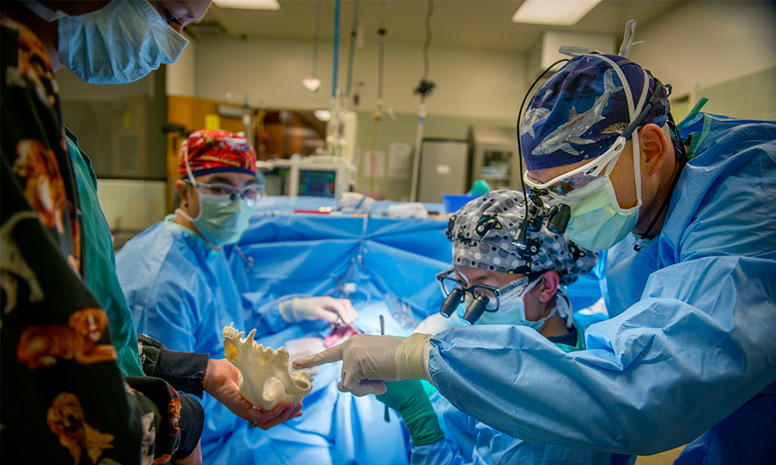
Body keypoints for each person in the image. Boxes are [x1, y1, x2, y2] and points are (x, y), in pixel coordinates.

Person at [294, 52, 776, 464]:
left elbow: (646, 389)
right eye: (546, 195)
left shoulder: (749, 205)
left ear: (649, 149)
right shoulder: (642, 214)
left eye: (573, 189)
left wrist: (422, 376)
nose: (561, 217)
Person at [1, 2, 295, 464]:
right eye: (171, 15)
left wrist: (198, 372)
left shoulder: (47, 123)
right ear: (186, 192)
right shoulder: (10, 102)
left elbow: (103, 336)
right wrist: (182, 421)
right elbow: (60, 387)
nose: (173, 48)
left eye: (247, 192)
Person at [116, 129, 405, 465]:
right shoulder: (160, 287)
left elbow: (227, 321)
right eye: (221, 188)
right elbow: (172, 410)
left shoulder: (204, 248)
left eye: (247, 190)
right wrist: (265, 378)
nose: (236, 202)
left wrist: (294, 309)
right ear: (185, 191)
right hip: (207, 439)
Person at [377, 190, 630, 464]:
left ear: (546, 286)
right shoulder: (580, 328)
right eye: (461, 284)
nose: (467, 307)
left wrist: (419, 419)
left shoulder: (534, 402)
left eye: (485, 288)